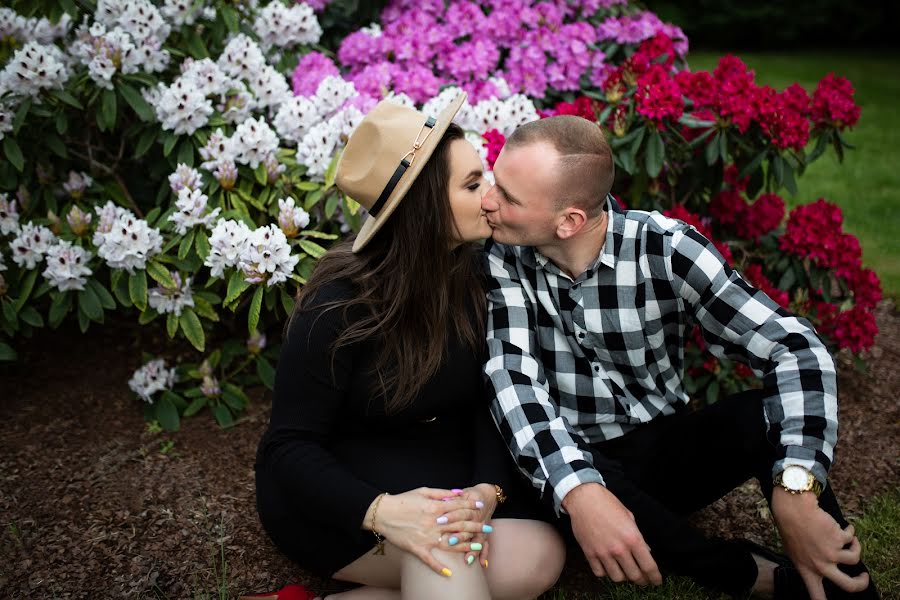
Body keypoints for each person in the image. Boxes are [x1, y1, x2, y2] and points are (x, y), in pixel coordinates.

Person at [480, 115, 879, 600]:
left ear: (570, 221)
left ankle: (843, 584)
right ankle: (752, 576)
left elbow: (793, 346)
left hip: (664, 444)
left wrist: (797, 485)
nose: (487, 201)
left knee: (756, 417)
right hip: (583, 455)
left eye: (508, 196)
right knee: (561, 468)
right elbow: (513, 381)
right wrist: (580, 492)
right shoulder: (504, 258)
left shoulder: (666, 249)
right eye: (494, 181)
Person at [250, 95, 565, 600]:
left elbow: (488, 402)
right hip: (336, 498)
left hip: (433, 473)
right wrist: (384, 512)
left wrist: (487, 490)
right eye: (471, 184)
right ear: (423, 204)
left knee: (538, 556)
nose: (490, 196)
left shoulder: (477, 275)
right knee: (444, 550)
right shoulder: (338, 305)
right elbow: (288, 448)